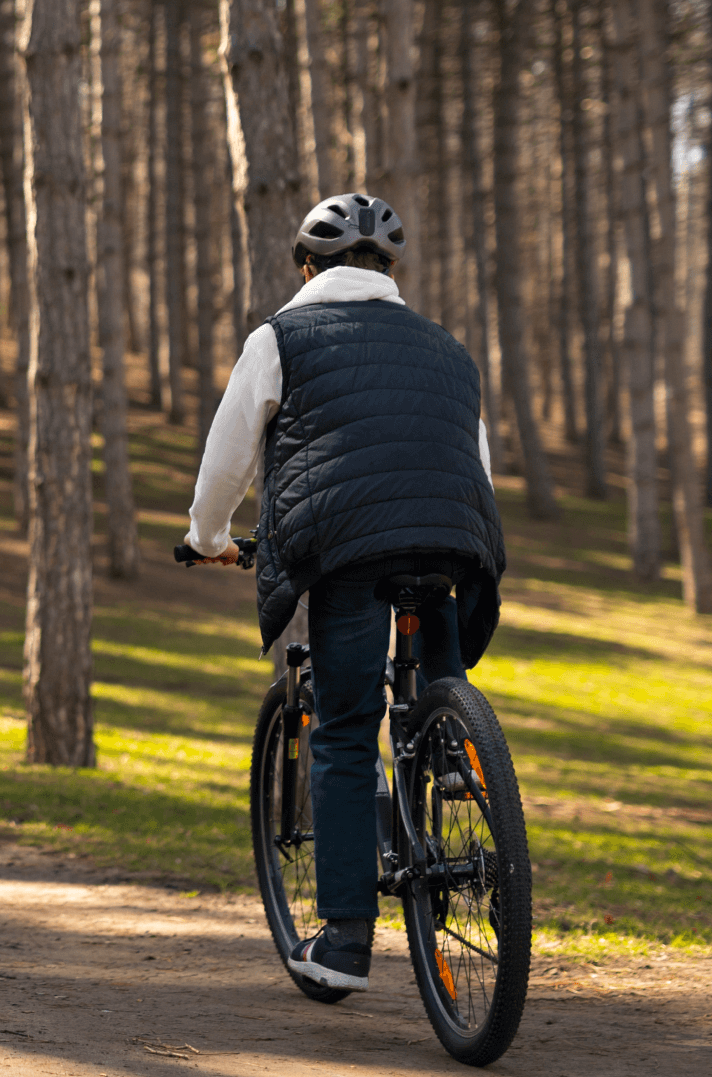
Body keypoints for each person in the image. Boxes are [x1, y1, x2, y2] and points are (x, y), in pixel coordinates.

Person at [183, 193, 505, 992]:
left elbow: (229, 452)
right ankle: (457, 752)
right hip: (452, 537)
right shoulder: (448, 349)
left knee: (347, 727)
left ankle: (346, 944)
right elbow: (476, 465)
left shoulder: (280, 337)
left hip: (349, 549)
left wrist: (209, 537)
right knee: (438, 670)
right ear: (388, 270)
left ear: (307, 269)